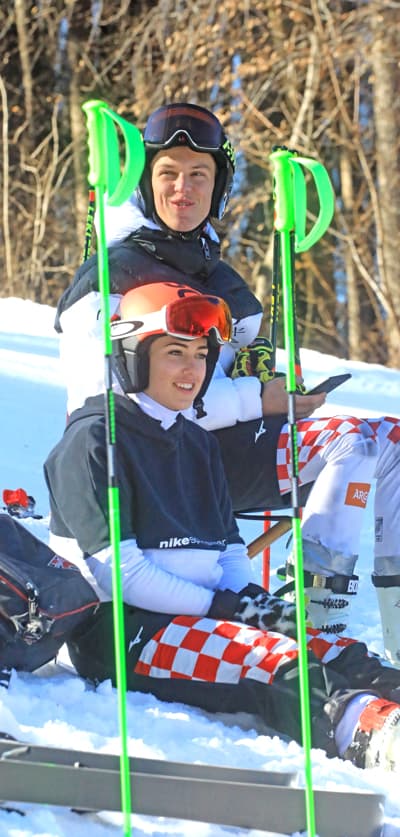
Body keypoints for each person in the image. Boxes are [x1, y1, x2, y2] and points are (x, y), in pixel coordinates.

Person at [54, 102, 400, 662]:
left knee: (382, 441)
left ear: (218, 189)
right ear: (145, 183)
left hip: (221, 459)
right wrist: (253, 398)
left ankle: (361, 633)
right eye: (167, 173)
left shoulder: (222, 278)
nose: (183, 189)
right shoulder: (112, 273)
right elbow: (115, 398)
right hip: (150, 463)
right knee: (350, 441)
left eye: (199, 175)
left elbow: (245, 369)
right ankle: (312, 632)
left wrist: (275, 387)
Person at [44, 282, 400, 774]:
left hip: (202, 611)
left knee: (328, 645)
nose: (192, 370)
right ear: (131, 354)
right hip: (126, 632)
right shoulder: (93, 441)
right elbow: (118, 576)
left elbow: (228, 549)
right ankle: (373, 732)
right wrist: (224, 607)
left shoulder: (195, 442)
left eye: (200, 355)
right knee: (273, 658)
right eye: (174, 353)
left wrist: (252, 601)